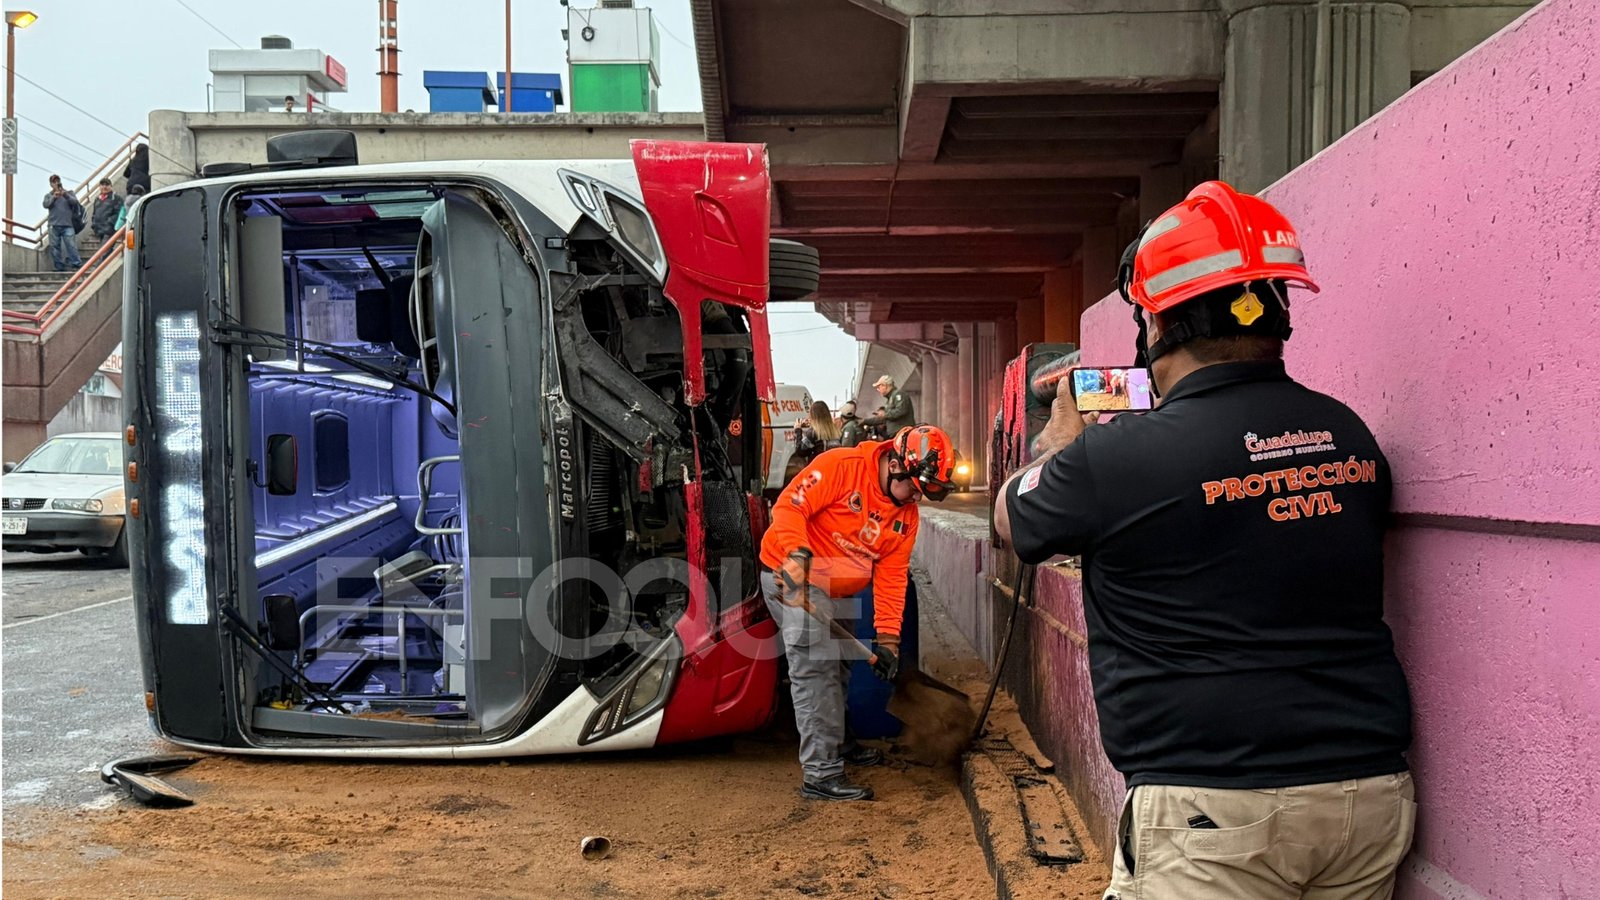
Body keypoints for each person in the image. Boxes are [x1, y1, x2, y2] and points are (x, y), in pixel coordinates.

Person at [993, 181, 1414, 900]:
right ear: (1278, 308)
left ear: (1156, 323)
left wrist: (1061, 444)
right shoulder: (1348, 433)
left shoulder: (1115, 460)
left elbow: (1013, 519)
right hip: (1367, 801)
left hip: (1213, 811)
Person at [760, 424, 956, 801]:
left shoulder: (907, 516)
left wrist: (888, 641)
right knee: (816, 670)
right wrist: (797, 553)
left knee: (840, 669)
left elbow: (892, 577)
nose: (917, 497)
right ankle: (820, 774)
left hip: (837, 588)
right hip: (793, 579)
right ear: (895, 466)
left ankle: (840, 742)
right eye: (915, 488)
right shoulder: (841, 467)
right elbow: (789, 506)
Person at [41, 175, 84, 273]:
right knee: (55, 247)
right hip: (53, 225)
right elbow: (45, 204)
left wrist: (65, 195)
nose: (56, 183)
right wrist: (54, 197)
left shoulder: (69, 193)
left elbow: (75, 202)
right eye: (54, 182)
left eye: (58, 181)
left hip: (68, 224)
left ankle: (76, 264)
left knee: (71, 245)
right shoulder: (49, 195)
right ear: (51, 184)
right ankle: (59, 266)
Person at [90, 178, 122, 244]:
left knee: (105, 249)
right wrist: (94, 224)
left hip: (109, 230)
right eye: (102, 185)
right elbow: (94, 213)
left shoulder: (116, 198)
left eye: (107, 185)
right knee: (103, 249)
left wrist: (110, 223)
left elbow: (119, 213)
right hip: (98, 229)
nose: (104, 187)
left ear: (111, 186)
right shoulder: (97, 199)